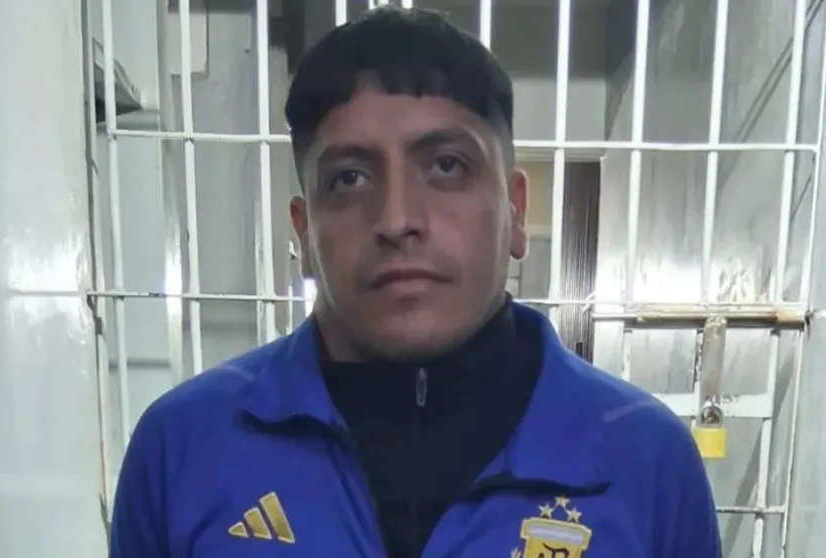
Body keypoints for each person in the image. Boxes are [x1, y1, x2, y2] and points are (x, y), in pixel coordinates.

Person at [108, 6, 721, 558]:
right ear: (304, 233)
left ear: (514, 210)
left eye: (447, 166)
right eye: (349, 179)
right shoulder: (185, 446)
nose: (397, 219)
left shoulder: (645, 458)